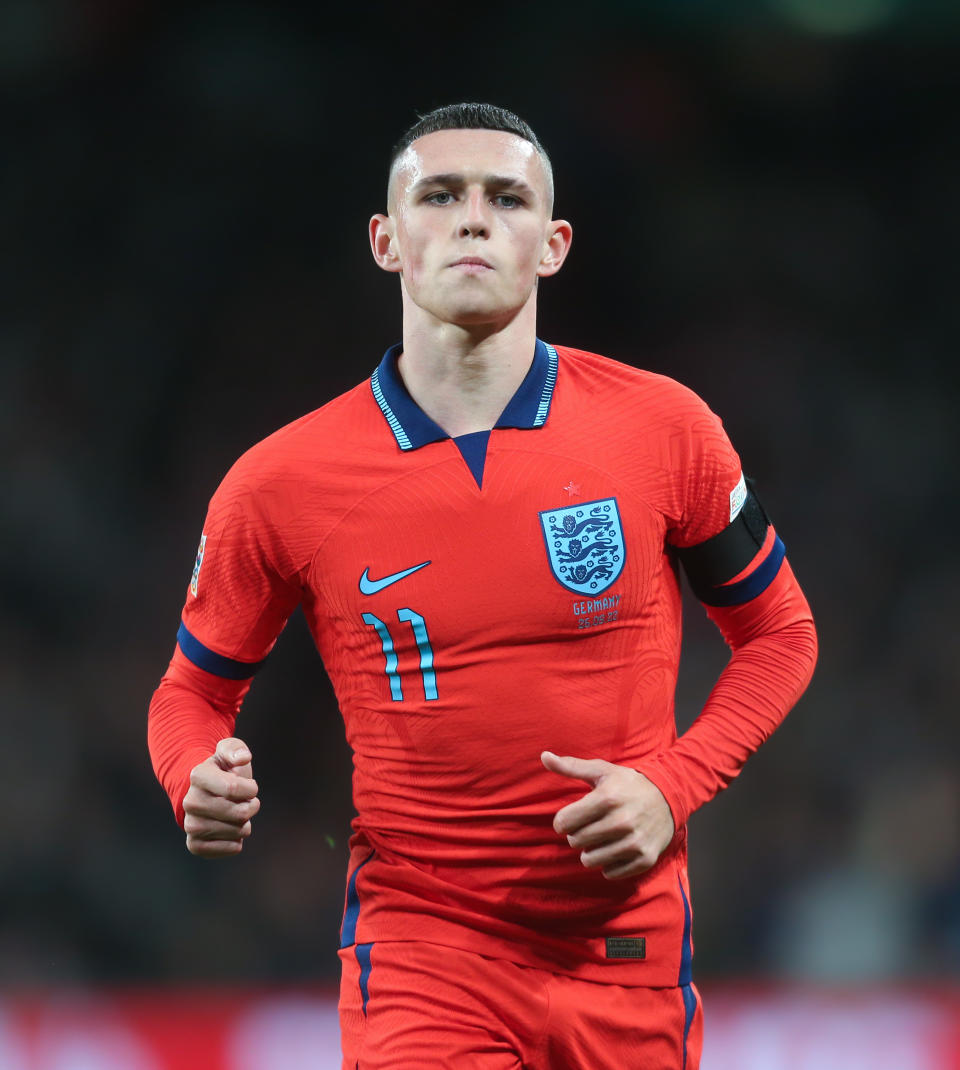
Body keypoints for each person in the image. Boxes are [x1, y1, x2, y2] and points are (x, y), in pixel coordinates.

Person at [148, 102, 817, 1069]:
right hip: (424, 950)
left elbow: (782, 635)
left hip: (626, 950)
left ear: (552, 245)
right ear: (387, 240)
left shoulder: (664, 429)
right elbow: (193, 692)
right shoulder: (280, 483)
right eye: (440, 195)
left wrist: (672, 789)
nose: (473, 218)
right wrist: (191, 774)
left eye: (506, 198)